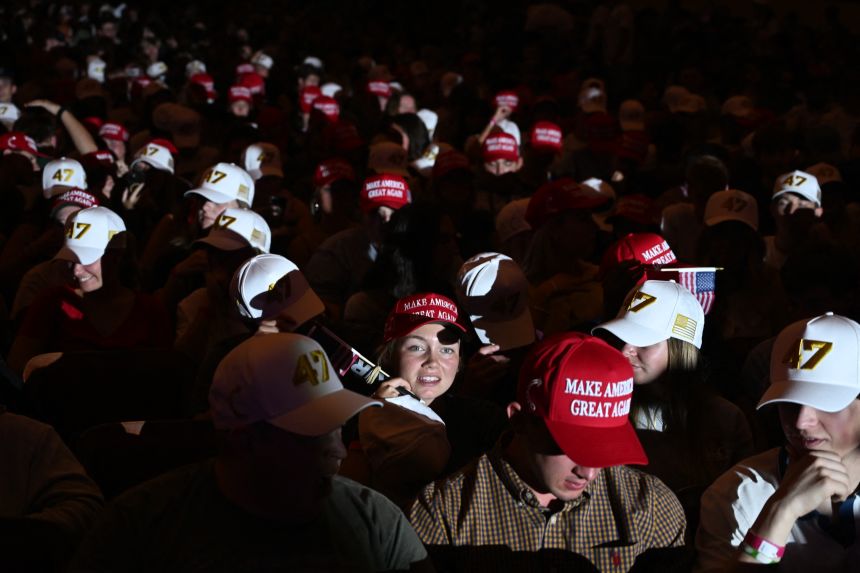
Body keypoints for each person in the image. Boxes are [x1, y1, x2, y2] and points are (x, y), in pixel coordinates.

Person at [70, 333, 431, 572]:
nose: (337, 452)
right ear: (241, 440)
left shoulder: (375, 521)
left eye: (338, 427)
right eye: (310, 436)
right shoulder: (140, 529)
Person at [408, 332, 686, 571]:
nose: (588, 471)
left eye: (604, 448)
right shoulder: (444, 511)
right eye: (571, 446)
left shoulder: (651, 507)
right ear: (518, 420)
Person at [696, 313, 860, 572]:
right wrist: (780, 511)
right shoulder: (738, 494)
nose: (802, 421)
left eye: (825, 402)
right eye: (789, 403)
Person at [345, 292, 507, 506]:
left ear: (459, 362)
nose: (432, 361)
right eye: (417, 347)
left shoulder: (485, 420)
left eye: (447, 350)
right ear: (389, 354)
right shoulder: (356, 416)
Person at [593, 280, 754, 495]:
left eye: (643, 341)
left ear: (681, 347)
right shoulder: (603, 409)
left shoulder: (725, 419)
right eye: (622, 338)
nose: (625, 351)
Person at [8, 206, 171, 374]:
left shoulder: (150, 311)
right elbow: (18, 366)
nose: (77, 270)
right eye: (71, 258)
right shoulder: (52, 302)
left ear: (116, 256)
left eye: (88, 259)